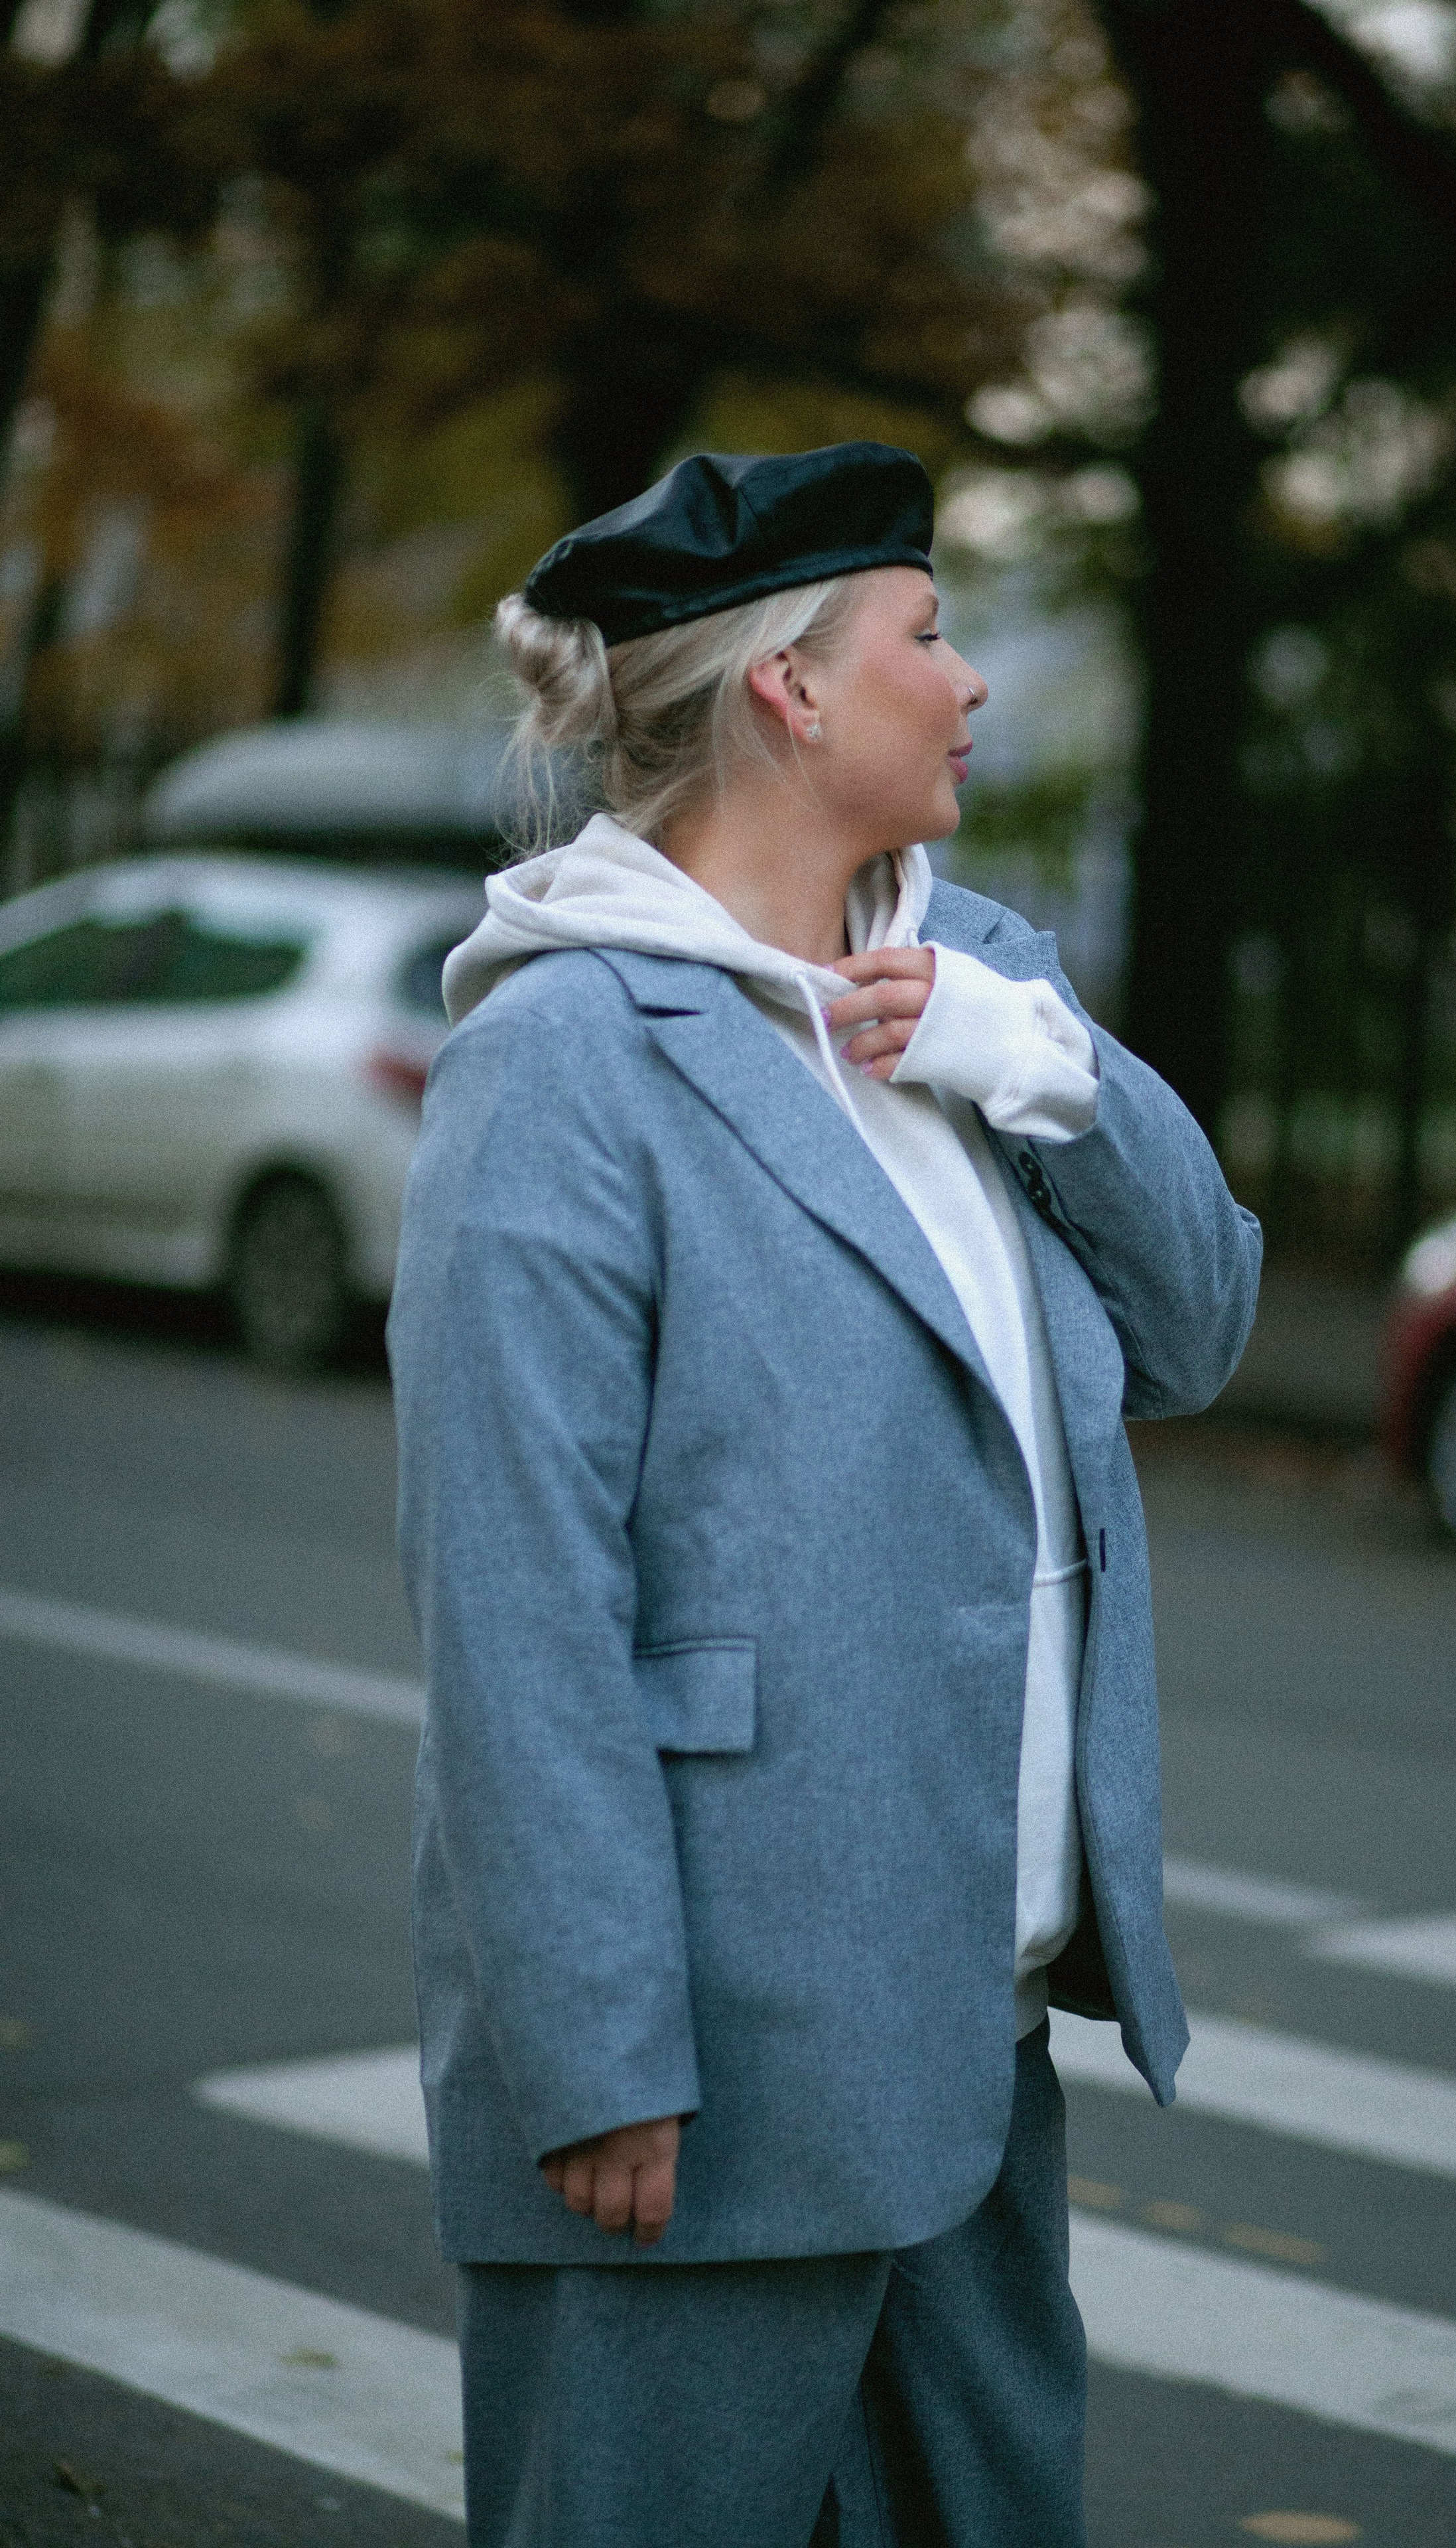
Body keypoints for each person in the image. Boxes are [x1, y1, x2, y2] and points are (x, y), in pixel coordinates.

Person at [387, 441, 1261, 2548]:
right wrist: (598, 2049)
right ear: (790, 687)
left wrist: (1037, 1061)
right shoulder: (565, 1060)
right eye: (930, 636)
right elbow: (517, 1600)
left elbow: (1206, 1326)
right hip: (710, 2079)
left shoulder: (971, 984)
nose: (971, 685)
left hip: (968, 2045)